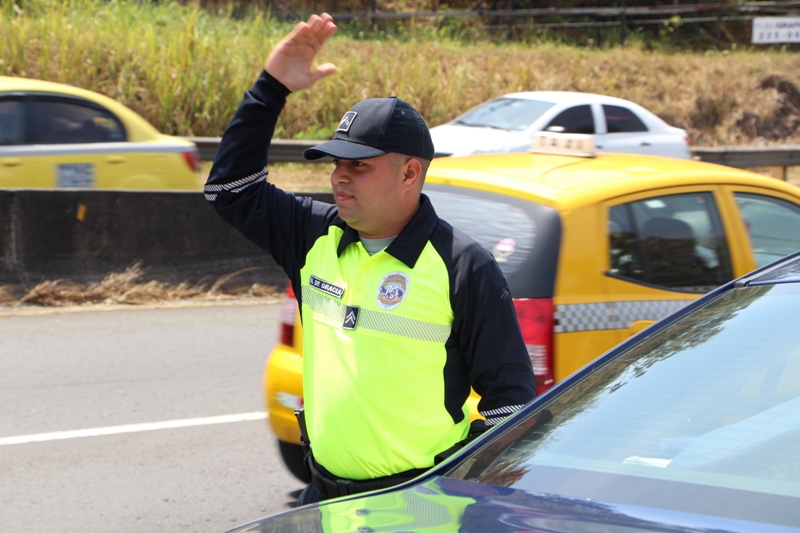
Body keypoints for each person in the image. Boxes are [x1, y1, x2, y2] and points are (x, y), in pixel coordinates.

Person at [205, 13, 536, 505]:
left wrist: (462, 497)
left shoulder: (464, 267)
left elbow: (511, 406)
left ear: (409, 173)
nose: (339, 176)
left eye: (358, 165)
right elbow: (228, 190)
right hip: (325, 500)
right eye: (337, 163)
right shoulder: (313, 236)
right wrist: (271, 87)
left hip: (419, 509)